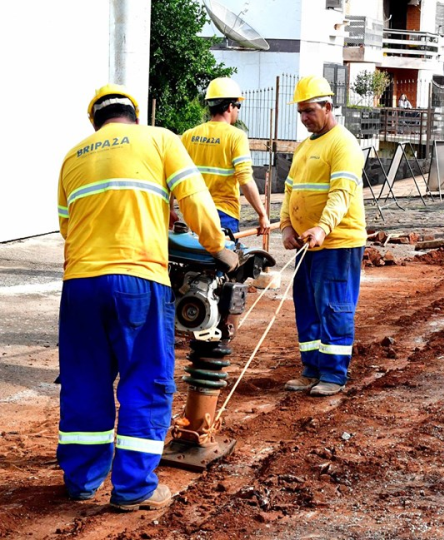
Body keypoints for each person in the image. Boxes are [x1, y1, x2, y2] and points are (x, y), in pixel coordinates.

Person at [57, 84, 236, 511]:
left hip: (80, 282)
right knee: (145, 378)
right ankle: (134, 487)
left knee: (84, 380)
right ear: (134, 116)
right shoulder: (159, 139)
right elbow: (194, 199)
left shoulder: (72, 156)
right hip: (138, 278)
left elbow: (68, 226)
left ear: (95, 122)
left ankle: (82, 480)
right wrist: (219, 249)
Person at [280, 75, 366, 397]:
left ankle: (333, 374)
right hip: (307, 244)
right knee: (308, 307)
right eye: (300, 112)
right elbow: (290, 190)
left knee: (334, 306)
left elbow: (341, 194)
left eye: (309, 111)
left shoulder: (343, 144)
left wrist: (322, 227)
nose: (304, 118)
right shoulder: (305, 146)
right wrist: (286, 225)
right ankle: (311, 369)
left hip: (337, 243)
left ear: (328, 107)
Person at [180, 77, 268, 235]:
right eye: (238, 105)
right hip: (223, 213)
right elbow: (245, 180)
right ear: (230, 106)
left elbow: (175, 175)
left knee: (198, 257)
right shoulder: (236, 136)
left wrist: (170, 209)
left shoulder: (189, 135)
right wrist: (262, 214)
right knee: (224, 258)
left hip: (194, 212)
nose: (238, 110)